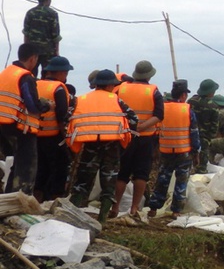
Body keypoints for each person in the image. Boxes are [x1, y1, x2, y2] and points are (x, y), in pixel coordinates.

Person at [66, 70, 137, 223]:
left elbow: (68, 118)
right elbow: (134, 119)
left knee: (82, 181)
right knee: (109, 182)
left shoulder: (81, 99)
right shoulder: (117, 100)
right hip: (112, 146)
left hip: (90, 144)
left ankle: (70, 216)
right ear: (111, 84)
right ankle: (102, 219)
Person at [111, 60, 164, 217]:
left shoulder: (121, 89)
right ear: (149, 75)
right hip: (145, 138)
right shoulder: (153, 91)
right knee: (141, 174)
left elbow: (114, 109)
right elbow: (159, 115)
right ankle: (134, 208)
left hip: (125, 137)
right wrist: (143, 126)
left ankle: (115, 207)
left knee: (122, 173)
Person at [0, 43, 50, 194]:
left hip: (4, 126)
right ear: (33, 58)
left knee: (17, 165)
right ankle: (21, 201)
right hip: (21, 128)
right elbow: (32, 105)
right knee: (27, 167)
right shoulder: (25, 77)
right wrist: (46, 105)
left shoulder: (5, 73)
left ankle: (8, 198)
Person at [147, 80, 200, 218]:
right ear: (183, 95)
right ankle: (176, 211)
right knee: (181, 182)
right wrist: (196, 152)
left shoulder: (162, 108)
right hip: (184, 152)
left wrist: (155, 149)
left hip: (165, 151)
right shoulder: (188, 110)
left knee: (162, 180)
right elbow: (194, 133)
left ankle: (153, 208)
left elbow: (156, 130)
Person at [34, 56, 73, 202]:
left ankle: (37, 198)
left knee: (41, 168)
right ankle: (55, 199)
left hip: (35, 134)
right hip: (53, 135)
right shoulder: (59, 88)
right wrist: (66, 137)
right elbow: (61, 114)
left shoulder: (36, 84)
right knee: (59, 168)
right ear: (61, 72)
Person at [23, 0, 60, 75]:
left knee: (31, 75)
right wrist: (57, 52)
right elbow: (55, 35)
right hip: (48, 51)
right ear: (47, 0)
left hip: (32, 51)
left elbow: (26, 33)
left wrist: (26, 49)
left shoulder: (30, 13)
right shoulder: (52, 14)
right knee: (47, 76)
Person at [188, 79, 220, 173]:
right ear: (210, 92)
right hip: (204, 138)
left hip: (188, 135)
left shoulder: (191, 101)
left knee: (188, 161)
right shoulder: (213, 106)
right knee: (202, 166)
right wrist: (210, 137)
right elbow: (214, 127)